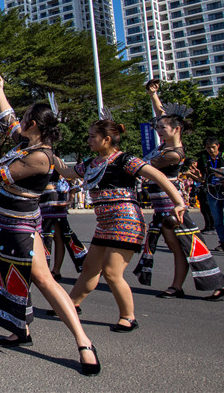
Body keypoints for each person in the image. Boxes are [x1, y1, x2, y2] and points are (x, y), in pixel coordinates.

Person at [0, 72, 98, 375]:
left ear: (34, 124)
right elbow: (8, 118)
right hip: (3, 221)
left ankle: (84, 342)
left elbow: (0, 177)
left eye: (25, 118)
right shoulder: (26, 143)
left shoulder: (40, 156)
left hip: (20, 225)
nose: (19, 121)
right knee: (9, 276)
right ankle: (19, 328)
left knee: (43, 280)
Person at [55, 118, 188, 332]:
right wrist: (46, 149)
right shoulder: (91, 163)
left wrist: (179, 202)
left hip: (126, 221)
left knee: (111, 272)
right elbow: (66, 172)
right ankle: (71, 304)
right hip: (104, 223)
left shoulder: (125, 160)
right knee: (90, 268)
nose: (88, 140)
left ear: (107, 139)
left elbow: (158, 176)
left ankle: (128, 316)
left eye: (92, 136)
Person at [132, 83, 224, 301]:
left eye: (163, 128)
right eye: (158, 128)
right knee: (181, 246)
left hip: (172, 206)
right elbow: (161, 113)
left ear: (176, 129)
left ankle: (218, 283)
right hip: (162, 206)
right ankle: (177, 286)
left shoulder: (174, 154)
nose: (158, 130)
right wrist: (153, 94)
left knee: (189, 245)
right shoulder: (166, 145)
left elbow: (145, 168)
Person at [197, 137, 224, 252]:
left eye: (213, 147)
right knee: (217, 219)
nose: (211, 150)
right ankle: (223, 242)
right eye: (208, 148)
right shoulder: (203, 159)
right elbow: (202, 177)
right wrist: (197, 176)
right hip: (212, 192)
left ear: (218, 146)